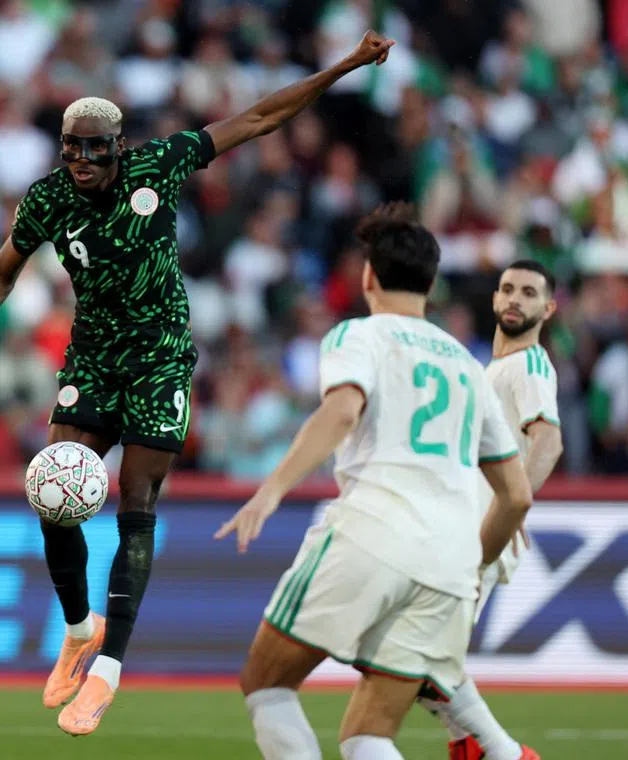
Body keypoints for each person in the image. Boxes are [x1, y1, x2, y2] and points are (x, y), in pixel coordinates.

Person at [0, 30, 396, 737]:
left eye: (94, 149)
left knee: (135, 502)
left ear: (119, 146)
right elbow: (0, 274)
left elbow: (261, 117)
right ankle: (79, 628)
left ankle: (107, 671)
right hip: (92, 358)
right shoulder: (48, 199)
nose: (81, 160)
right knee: (54, 488)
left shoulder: (159, 165)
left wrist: (346, 64)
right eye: (70, 148)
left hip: (160, 359)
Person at [214, 205, 534, 760]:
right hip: (450, 560)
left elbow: (342, 410)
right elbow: (517, 495)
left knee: (267, 683)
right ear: (431, 284)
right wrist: (473, 562)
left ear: (368, 277)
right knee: (369, 733)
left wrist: (270, 491)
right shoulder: (468, 365)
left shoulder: (360, 334)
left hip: (373, 529)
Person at [419, 260, 562, 760]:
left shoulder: (530, 365)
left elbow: (548, 440)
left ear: (548, 309)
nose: (515, 298)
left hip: (481, 534)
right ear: (495, 299)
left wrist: (515, 504)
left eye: (529, 292)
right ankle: (469, 745)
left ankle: (502, 753)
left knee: (417, 655)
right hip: (459, 528)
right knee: (421, 657)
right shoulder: (493, 368)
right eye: (507, 289)